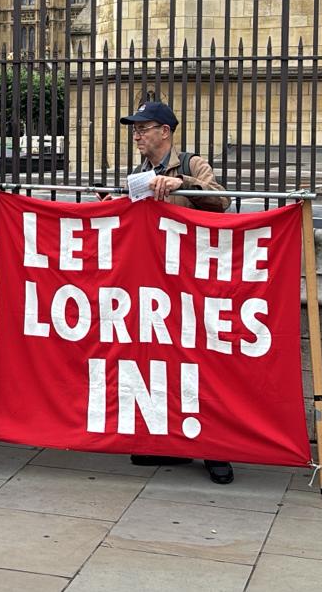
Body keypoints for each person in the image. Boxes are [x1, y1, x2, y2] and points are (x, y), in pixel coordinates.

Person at [118, 100, 235, 484]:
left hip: (194, 279)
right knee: (161, 361)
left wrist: (182, 184)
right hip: (155, 281)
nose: (136, 135)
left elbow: (221, 197)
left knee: (202, 361)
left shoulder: (191, 163)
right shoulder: (138, 171)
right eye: (134, 129)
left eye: (143, 128)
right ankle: (169, 442)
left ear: (164, 132)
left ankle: (216, 450)